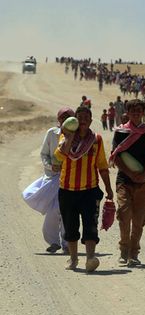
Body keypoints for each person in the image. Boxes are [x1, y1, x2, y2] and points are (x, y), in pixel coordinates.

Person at [54, 106, 114, 272]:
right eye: (79, 117)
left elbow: (102, 166)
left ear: (91, 119)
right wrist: (69, 136)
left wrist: (108, 188)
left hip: (90, 191)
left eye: (86, 116)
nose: (83, 119)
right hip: (67, 191)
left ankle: (90, 258)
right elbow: (59, 156)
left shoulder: (97, 140)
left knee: (90, 225)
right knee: (70, 226)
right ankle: (73, 260)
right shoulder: (65, 136)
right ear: (75, 120)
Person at [109, 99, 145, 267]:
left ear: (143, 113)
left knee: (139, 219)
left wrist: (143, 175)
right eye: (132, 110)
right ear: (127, 113)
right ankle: (124, 249)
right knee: (123, 214)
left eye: (139, 110)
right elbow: (116, 156)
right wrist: (130, 173)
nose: (136, 113)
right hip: (124, 180)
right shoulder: (120, 132)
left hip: (143, 182)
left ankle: (133, 253)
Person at [24, 107, 74, 253]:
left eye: (68, 117)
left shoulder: (77, 136)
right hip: (53, 177)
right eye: (62, 117)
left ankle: (66, 243)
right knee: (54, 210)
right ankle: (54, 242)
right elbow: (44, 154)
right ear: (59, 119)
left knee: (66, 210)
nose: (65, 120)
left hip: (71, 179)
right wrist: (51, 167)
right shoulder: (52, 133)